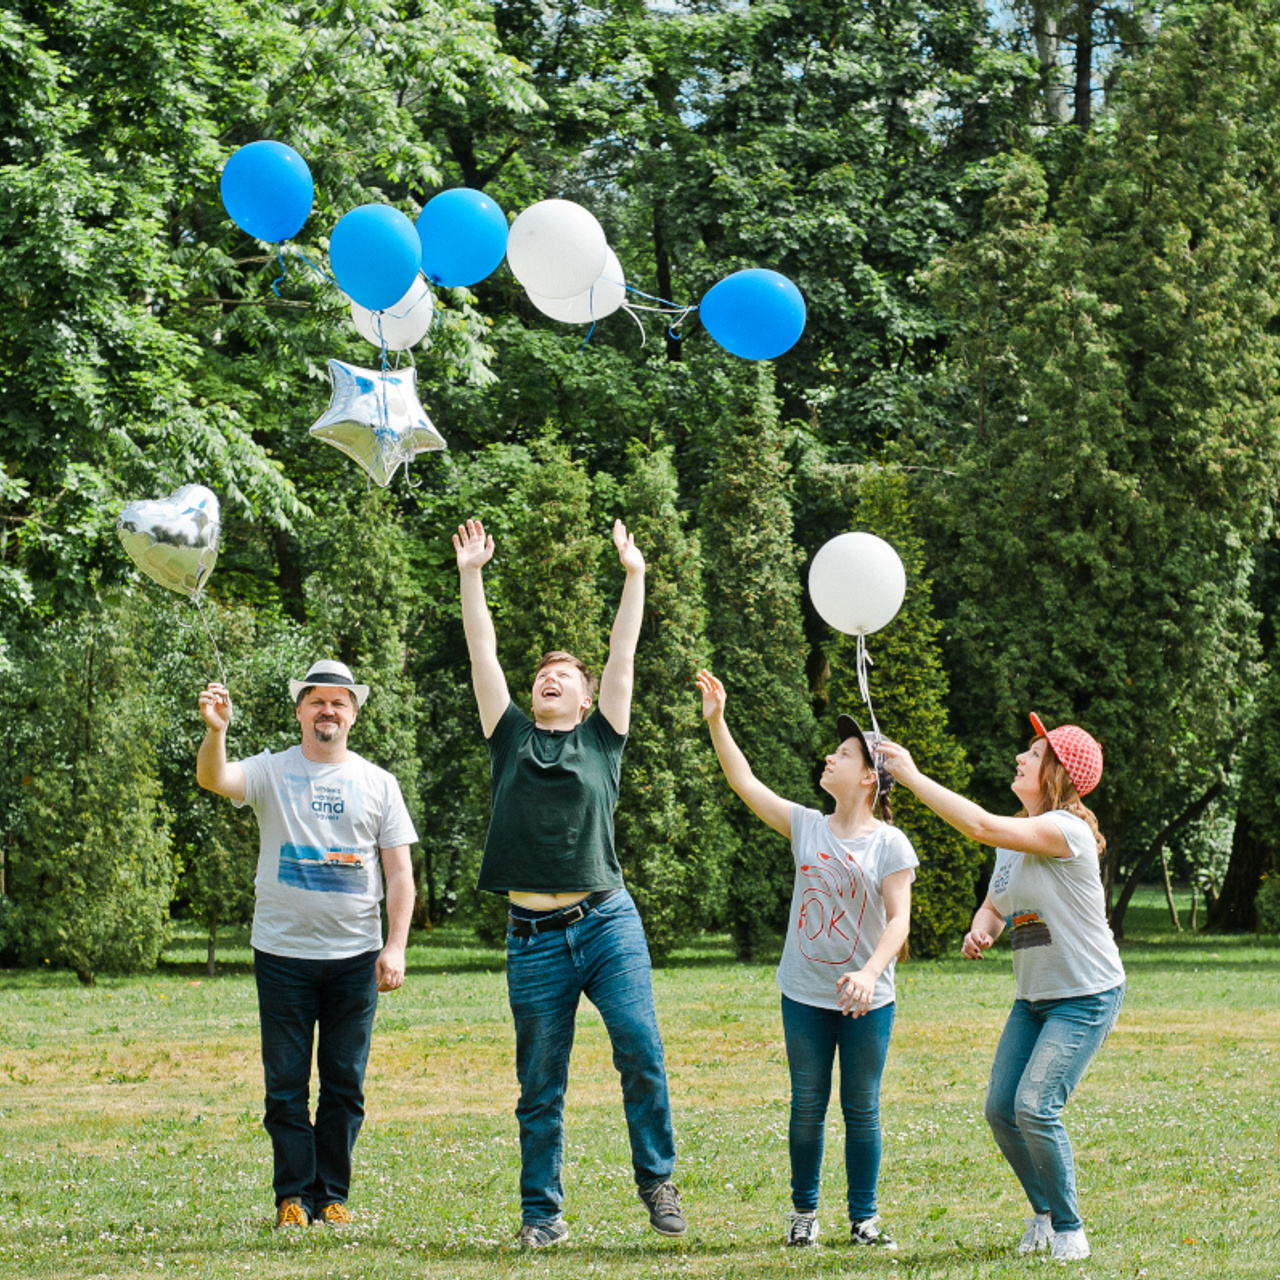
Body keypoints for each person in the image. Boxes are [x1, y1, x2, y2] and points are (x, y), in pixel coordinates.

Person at [453, 517, 684, 1249]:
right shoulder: (510, 736)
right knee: (539, 1084)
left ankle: (657, 1180)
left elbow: (623, 653)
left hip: (607, 922)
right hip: (532, 938)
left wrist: (634, 575)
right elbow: (482, 651)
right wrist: (471, 575)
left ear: (586, 697)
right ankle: (541, 1216)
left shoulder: (602, 737)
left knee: (640, 1048)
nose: (549, 678)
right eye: (541, 674)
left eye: (565, 675)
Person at [876, 713, 1123, 1263]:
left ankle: (1070, 1230)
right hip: (1034, 1000)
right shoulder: (1015, 840)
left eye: (1034, 754)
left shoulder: (1066, 831)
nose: (1020, 758)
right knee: (1000, 1109)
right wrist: (981, 928)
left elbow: (980, 826)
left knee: (1035, 1106)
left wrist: (911, 776)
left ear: (1058, 772)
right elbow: (996, 902)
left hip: (1085, 996)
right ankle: (1044, 1213)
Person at [696, 669, 916, 1251]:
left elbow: (899, 921)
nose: (829, 756)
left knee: (862, 1109)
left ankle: (864, 1220)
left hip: (869, 1000)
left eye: (842, 754)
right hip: (804, 993)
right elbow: (744, 781)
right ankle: (804, 1215)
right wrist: (718, 721)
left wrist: (869, 974)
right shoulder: (806, 826)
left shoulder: (890, 843)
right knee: (807, 1107)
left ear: (868, 777)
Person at [196, 659, 417, 1229]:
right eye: (317, 700)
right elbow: (214, 779)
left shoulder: (379, 783)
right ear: (299, 711)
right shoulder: (271, 770)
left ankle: (332, 1196)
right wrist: (216, 732)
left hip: (355, 959)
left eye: (339, 702)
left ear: (353, 716)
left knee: (344, 1085)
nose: (328, 710)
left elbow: (399, 874)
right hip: (282, 956)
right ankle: (292, 1198)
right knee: (286, 1086)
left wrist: (395, 947)